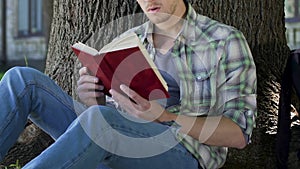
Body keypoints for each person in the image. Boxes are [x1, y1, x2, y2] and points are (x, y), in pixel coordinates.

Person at [0, 0, 257, 168]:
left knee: (103, 121)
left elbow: (238, 135)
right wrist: (93, 98)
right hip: (114, 142)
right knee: (21, 79)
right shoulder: (128, 40)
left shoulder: (224, 40)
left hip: (181, 154)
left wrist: (165, 117)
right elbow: (102, 117)